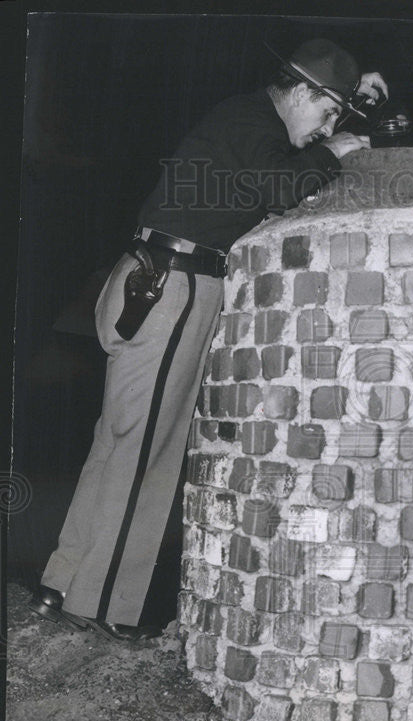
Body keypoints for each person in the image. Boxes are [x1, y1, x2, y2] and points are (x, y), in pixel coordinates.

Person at [31, 38, 388, 641]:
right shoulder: (251, 119)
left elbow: (265, 190)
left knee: (120, 443)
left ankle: (63, 582)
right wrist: (335, 150)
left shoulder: (241, 125)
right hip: (175, 285)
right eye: (326, 113)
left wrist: (352, 110)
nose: (324, 128)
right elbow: (282, 186)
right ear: (302, 90)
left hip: (152, 277)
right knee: (148, 451)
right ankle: (97, 609)